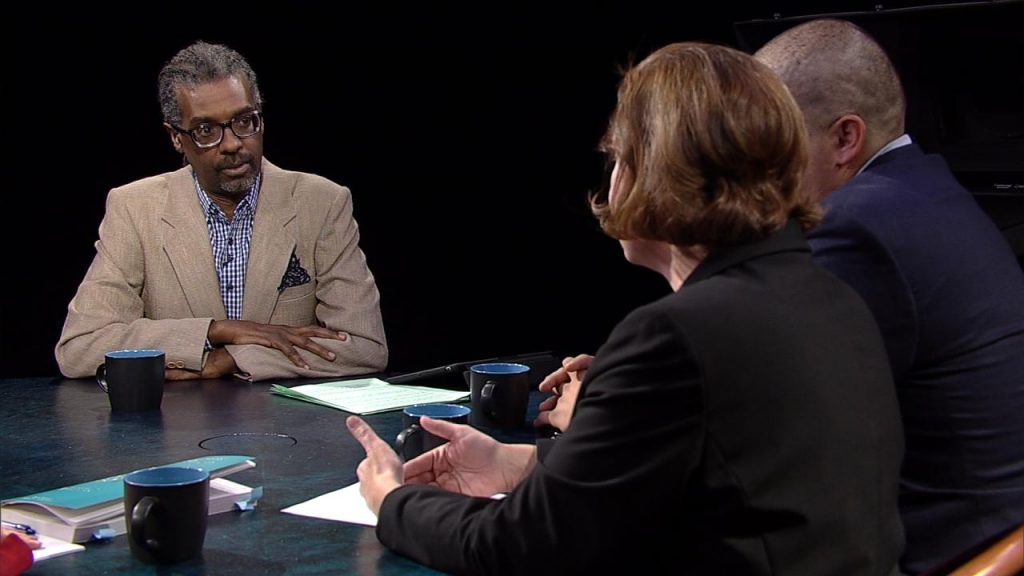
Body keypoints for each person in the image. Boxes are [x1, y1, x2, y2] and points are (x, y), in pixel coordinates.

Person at [348, 42, 905, 575]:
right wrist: (515, 465)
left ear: (659, 177)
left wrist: (393, 500)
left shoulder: (677, 336)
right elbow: (719, 482)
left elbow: (523, 546)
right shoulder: (833, 299)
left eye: (619, 158)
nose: (611, 179)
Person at [752, 19, 1024, 573]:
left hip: (938, 551)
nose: (752, 169)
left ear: (845, 138)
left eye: (768, 141)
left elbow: (768, 427)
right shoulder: (924, 188)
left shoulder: (858, 225)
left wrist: (607, 410)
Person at [55, 41, 387, 382]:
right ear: (175, 138)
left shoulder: (323, 203)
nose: (232, 144)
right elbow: (81, 347)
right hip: (172, 430)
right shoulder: (135, 208)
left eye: (245, 121)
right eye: (205, 131)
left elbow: (363, 347)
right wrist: (217, 332)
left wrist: (232, 357)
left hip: (288, 426)